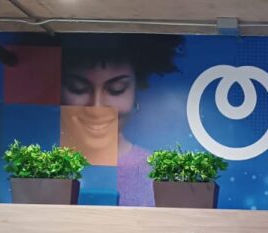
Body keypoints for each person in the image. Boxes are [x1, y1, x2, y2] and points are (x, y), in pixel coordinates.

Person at [60, 35, 183, 206]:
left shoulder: (157, 174)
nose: (97, 107)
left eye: (116, 89)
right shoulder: (38, 172)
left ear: (136, 91)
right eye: (78, 88)